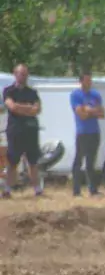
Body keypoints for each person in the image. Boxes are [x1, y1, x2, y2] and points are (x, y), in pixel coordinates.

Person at [3, 64, 43, 198]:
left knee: (33, 161)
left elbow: (37, 109)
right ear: (15, 74)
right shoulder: (9, 91)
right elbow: (12, 107)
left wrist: (21, 108)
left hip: (31, 131)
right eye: (21, 74)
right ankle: (7, 190)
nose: (23, 77)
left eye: (25, 74)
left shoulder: (32, 92)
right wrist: (28, 108)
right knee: (13, 161)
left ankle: (37, 190)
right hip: (15, 130)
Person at [70, 72, 105, 197]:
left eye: (90, 80)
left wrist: (89, 110)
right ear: (81, 81)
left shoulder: (95, 95)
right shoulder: (76, 95)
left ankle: (93, 189)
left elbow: (102, 114)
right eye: (87, 80)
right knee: (79, 161)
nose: (89, 83)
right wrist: (91, 111)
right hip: (82, 132)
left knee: (91, 161)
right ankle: (76, 190)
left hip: (94, 132)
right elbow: (82, 115)